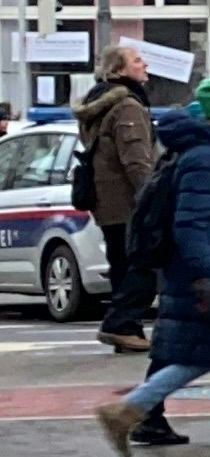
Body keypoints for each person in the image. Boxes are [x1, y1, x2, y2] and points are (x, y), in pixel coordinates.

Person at [95, 80, 210, 457]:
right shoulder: (204, 158)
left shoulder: (204, 153)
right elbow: (190, 223)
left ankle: (141, 412)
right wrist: (206, 273)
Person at [75, 43, 165, 361]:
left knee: (122, 265)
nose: (145, 65)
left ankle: (128, 331)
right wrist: (153, 198)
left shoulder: (96, 103)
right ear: (119, 69)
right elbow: (137, 159)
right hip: (128, 201)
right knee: (146, 263)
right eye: (137, 61)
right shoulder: (127, 106)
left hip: (105, 200)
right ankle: (121, 323)